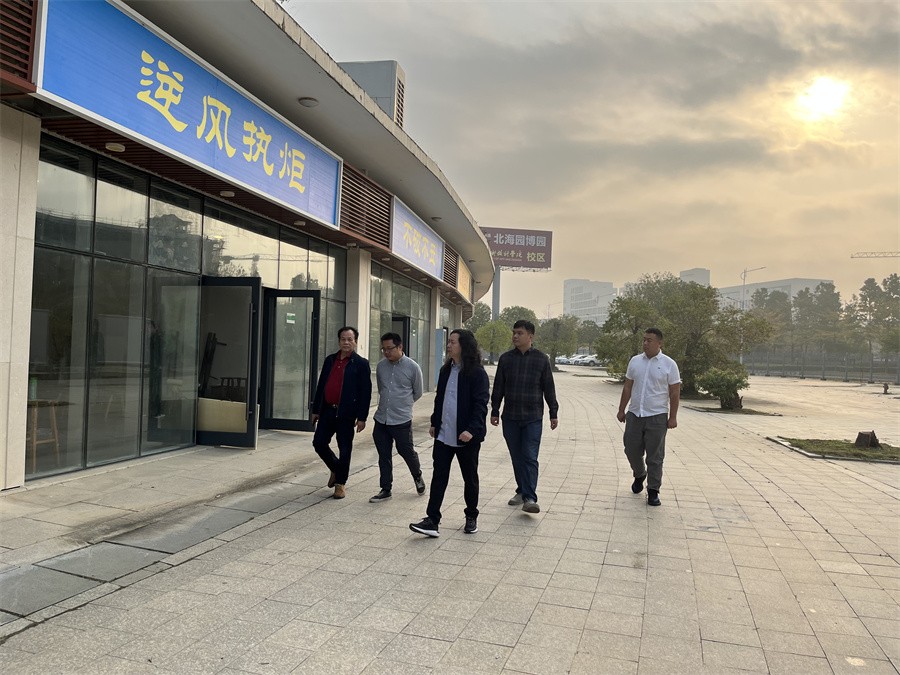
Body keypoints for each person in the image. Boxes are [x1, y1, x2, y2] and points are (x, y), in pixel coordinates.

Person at [409, 329, 489, 537]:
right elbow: (440, 399)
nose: (448, 345)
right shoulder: (446, 370)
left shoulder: (477, 373)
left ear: (464, 345)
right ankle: (432, 520)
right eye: (449, 342)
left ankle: (471, 516)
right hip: (444, 434)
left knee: (470, 477)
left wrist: (471, 430)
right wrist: (435, 422)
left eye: (453, 342)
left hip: (466, 437)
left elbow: (481, 405)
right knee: (439, 477)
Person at [490, 319, 559, 514]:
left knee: (529, 456)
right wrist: (495, 410)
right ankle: (521, 490)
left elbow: (549, 387)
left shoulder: (541, 359)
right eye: (514, 332)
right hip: (510, 417)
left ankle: (530, 498)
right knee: (517, 456)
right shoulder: (506, 359)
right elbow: (499, 387)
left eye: (519, 333)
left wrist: (553, 412)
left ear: (530, 336)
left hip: (532, 417)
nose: (515, 336)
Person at [616, 327, 681, 506]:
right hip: (635, 414)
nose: (645, 343)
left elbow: (674, 392)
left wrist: (673, 417)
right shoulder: (635, 361)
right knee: (630, 449)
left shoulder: (669, 364)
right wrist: (621, 409)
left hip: (657, 416)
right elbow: (628, 386)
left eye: (649, 340)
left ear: (659, 343)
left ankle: (653, 490)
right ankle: (639, 474)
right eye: (644, 340)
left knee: (655, 456)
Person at [311, 326, 372, 499]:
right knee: (319, 443)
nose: (346, 342)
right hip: (327, 411)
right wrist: (316, 409)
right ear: (339, 341)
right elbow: (321, 385)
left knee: (345, 449)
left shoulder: (361, 364)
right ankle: (336, 469)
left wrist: (362, 417)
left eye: (350, 339)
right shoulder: (330, 360)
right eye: (343, 339)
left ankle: (340, 484)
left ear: (355, 341)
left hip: (347, 414)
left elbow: (365, 393)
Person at [369, 332, 426, 503]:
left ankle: (417, 475)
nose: (386, 352)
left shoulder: (413, 367)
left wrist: (403, 404)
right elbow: (382, 389)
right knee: (384, 455)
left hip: (401, 419)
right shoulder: (381, 366)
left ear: (400, 347)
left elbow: (418, 392)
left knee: (406, 451)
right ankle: (386, 489)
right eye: (384, 349)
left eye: (390, 348)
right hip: (382, 419)